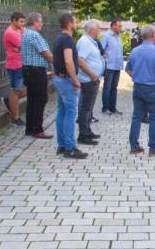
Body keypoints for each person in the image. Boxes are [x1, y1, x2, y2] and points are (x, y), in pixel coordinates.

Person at [127, 25, 155, 156]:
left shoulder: (135, 50)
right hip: (152, 87)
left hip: (138, 87)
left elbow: (127, 69)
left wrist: (136, 77)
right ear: (152, 36)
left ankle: (134, 146)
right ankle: (153, 148)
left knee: (137, 116)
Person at [52, 13, 87, 159]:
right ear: (69, 23)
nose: (76, 23)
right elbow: (68, 61)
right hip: (66, 80)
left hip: (59, 78)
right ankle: (70, 147)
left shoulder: (58, 38)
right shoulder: (67, 39)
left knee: (62, 111)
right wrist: (74, 78)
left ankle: (62, 144)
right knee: (71, 112)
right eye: (75, 21)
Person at [20, 13, 54, 139]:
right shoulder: (34, 34)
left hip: (28, 70)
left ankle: (30, 128)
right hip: (36, 71)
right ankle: (37, 129)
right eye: (40, 22)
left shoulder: (25, 33)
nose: (42, 24)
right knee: (40, 99)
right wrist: (57, 63)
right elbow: (46, 53)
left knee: (32, 100)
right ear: (34, 22)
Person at [76, 20, 104, 146]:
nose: (99, 30)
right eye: (98, 28)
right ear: (91, 29)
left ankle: (87, 131)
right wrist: (93, 75)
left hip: (91, 79)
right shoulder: (85, 42)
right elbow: (80, 61)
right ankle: (83, 135)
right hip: (89, 79)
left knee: (89, 107)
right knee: (86, 108)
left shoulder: (89, 41)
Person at [1, 12, 27, 126]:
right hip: (15, 65)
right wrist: (19, 47)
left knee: (23, 90)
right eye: (21, 21)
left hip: (20, 63)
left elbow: (25, 41)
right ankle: (15, 118)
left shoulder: (18, 30)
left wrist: (20, 47)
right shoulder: (10, 33)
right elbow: (25, 45)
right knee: (16, 90)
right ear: (13, 21)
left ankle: (9, 100)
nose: (23, 24)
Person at [101, 19, 123, 115]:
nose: (121, 28)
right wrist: (104, 58)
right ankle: (105, 108)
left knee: (114, 87)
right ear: (114, 26)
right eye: (119, 26)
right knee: (107, 87)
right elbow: (101, 50)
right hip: (109, 65)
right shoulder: (106, 36)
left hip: (117, 66)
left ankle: (113, 108)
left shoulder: (119, 37)